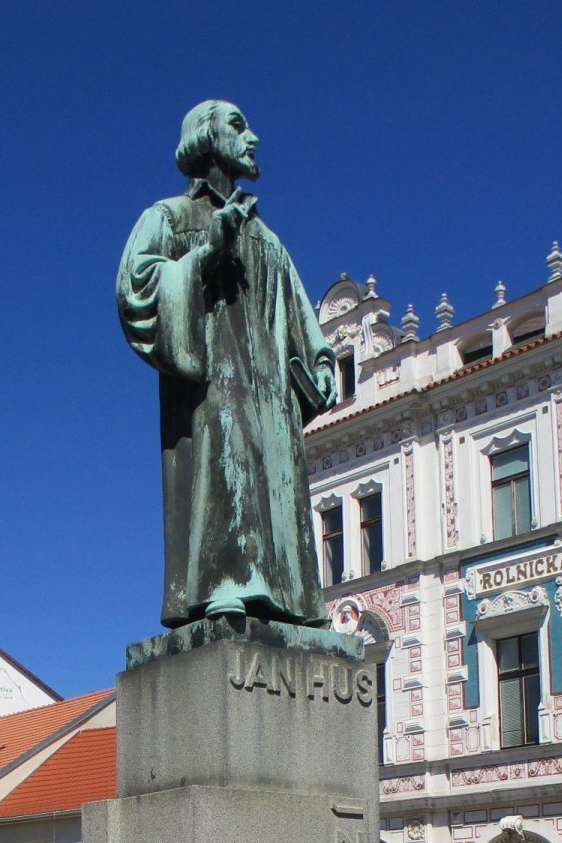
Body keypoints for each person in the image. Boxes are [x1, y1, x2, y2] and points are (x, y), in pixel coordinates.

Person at [117, 100, 337, 629]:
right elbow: (137, 288)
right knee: (225, 454)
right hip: (214, 379)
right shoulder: (168, 218)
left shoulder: (267, 239)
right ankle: (222, 585)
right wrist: (207, 252)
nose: (253, 137)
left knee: (276, 481)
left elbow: (301, 315)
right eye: (239, 126)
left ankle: (290, 600)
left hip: (273, 397)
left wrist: (321, 361)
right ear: (206, 136)